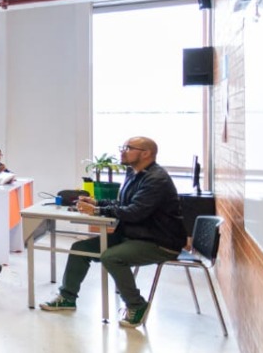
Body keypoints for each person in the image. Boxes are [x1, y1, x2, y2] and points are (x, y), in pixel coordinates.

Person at [40, 137, 186, 326]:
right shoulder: (134, 173)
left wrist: (98, 211)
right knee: (79, 249)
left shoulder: (156, 179)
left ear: (146, 153)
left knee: (112, 257)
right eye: (123, 147)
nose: (122, 151)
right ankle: (67, 297)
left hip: (158, 241)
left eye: (128, 148)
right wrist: (97, 203)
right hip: (134, 235)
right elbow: (125, 204)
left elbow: (135, 212)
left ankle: (136, 305)